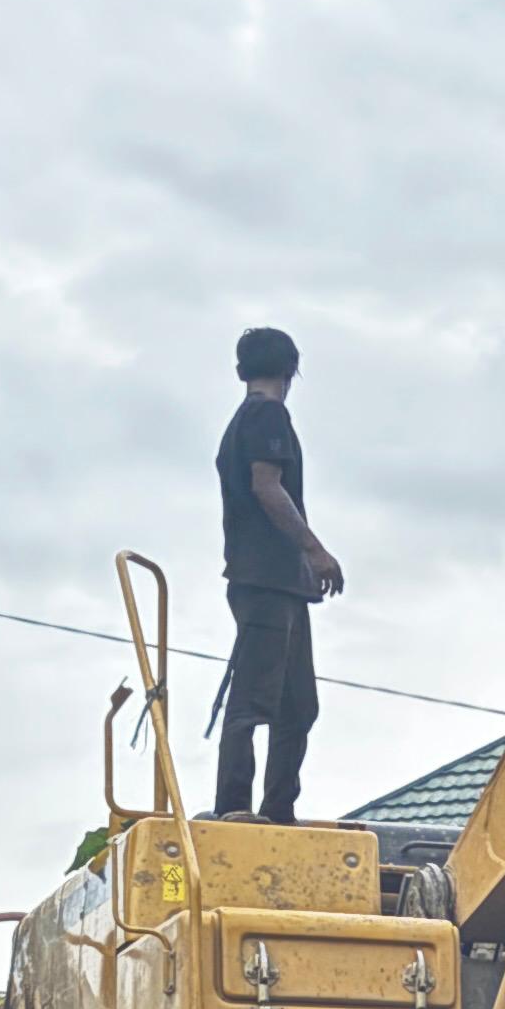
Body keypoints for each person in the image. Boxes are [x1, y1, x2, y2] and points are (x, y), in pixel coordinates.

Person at [211, 325, 342, 819]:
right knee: (252, 702)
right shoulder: (267, 414)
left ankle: (278, 811)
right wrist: (316, 549)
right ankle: (234, 810)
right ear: (290, 370)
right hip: (265, 579)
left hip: (279, 585)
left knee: (297, 706)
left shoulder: (243, 420)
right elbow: (267, 485)